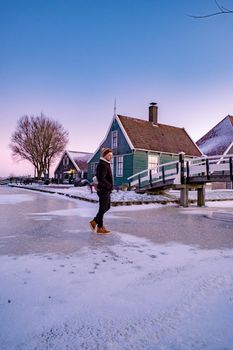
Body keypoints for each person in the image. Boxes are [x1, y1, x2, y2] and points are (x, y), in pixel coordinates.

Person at [89, 148, 113, 234]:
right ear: (105, 155)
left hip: (106, 189)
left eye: (111, 155)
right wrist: (109, 186)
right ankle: (99, 227)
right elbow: (101, 178)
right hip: (103, 189)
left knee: (107, 207)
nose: (111, 156)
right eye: (109, 155)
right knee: (103, 208)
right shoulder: (102, 164)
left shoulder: (106, 164)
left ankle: (95, 222)